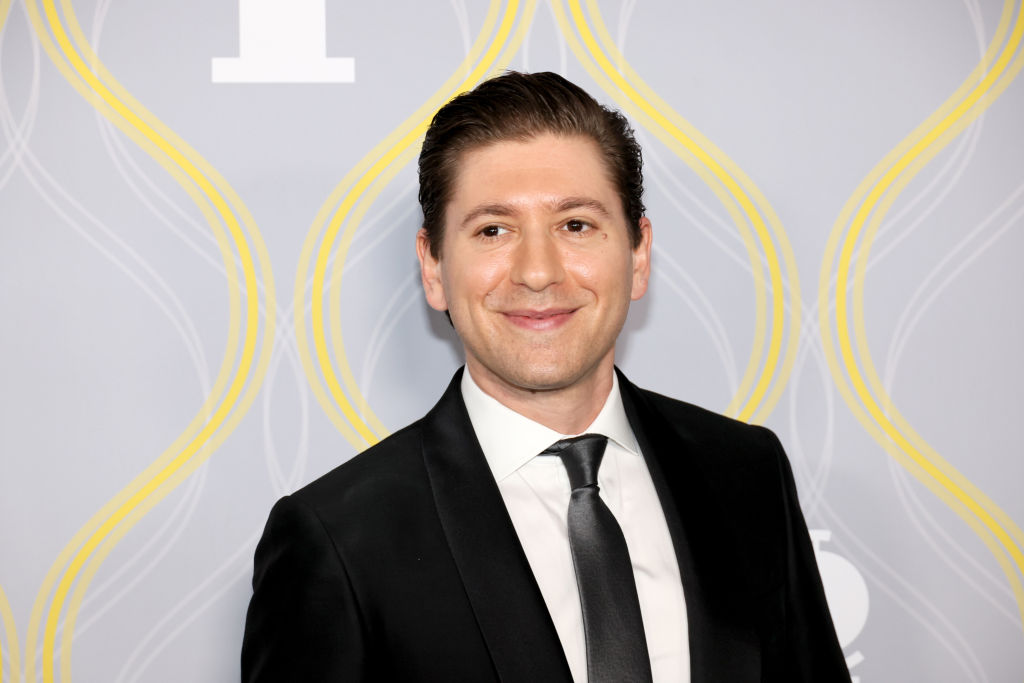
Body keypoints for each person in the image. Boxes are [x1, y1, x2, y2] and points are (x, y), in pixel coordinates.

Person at [241, 71, 850, 682]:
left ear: (638, 254)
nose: (538, 272)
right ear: (433, 267)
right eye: (493, 230)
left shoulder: (747, 472)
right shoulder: (338, 540)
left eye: (575, 225)